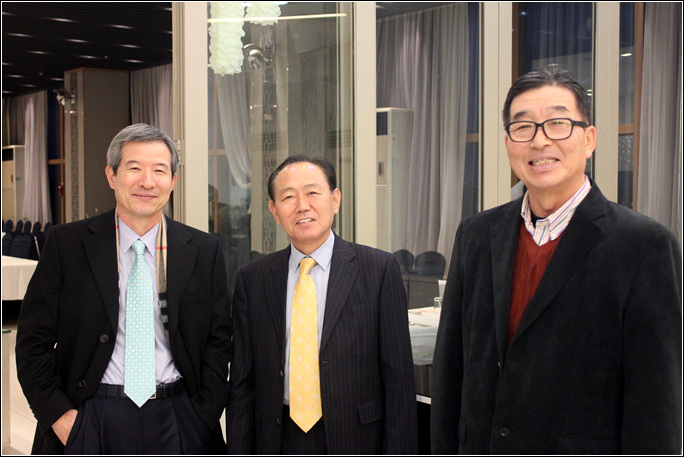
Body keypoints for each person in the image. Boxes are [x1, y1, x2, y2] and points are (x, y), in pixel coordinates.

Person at [431, 68, 682, 455]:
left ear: (589, 139)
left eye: (558, 124)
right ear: (508, 143)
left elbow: (656, 406)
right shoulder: (476, 235)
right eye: (523, 127)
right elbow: (451, 370)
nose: (540, 140)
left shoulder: (643, 246)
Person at [15, 123, 232, 454]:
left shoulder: (203, 250)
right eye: (134, 168)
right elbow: (33, 341)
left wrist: (201, 415)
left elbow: (219, 340)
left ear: (173, 180)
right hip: (91, 415)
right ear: (111, 176)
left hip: (178, 416)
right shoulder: (67, 245)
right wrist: (58, 416)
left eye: (159, 170)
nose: (147, 181)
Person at [226, 156, 419, 454]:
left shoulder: (378, 269)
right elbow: (242, 384)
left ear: (335, 199)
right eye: (288, 197)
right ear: (274, 211)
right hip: (278, 437)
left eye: (312, 193)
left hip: (357, 438)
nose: (302, 206)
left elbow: (399, 381)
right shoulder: (253, 279)